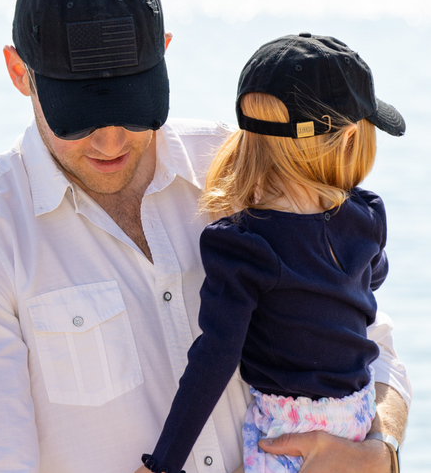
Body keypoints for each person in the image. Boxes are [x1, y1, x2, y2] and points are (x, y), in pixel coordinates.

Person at [0, 0, 409, 473]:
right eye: (78, 116)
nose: (109, 138)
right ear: (19, 73)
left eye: (132, 105)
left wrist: (380, 454)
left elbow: (372, 345)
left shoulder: (248, 169)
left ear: (166, 54)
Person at [135, 34, 409, 473]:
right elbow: (373, 278)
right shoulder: (367, 214)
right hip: (359, 421)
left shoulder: (242, 245)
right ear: (350, 139)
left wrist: (163, 464)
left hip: (284, 435)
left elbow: (215, 358)